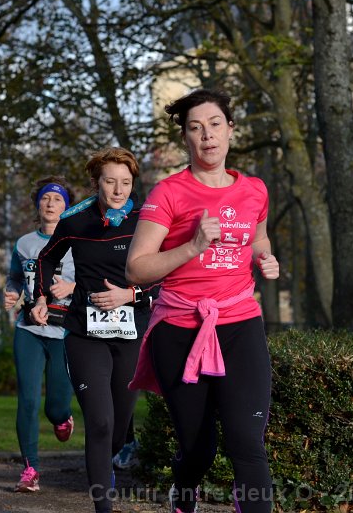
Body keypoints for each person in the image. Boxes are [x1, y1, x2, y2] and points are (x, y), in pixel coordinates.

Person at [126, 89, 280, 513]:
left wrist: (264, 258)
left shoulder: (255, 190)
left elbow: (258, 238)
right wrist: (193, 246)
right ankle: (184, 488)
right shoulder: (168, 193)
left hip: (240, 322)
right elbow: (136, 269)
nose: (207, 135)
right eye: (195, 128)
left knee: (248, 444)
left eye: (214, 124)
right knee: (199, 448)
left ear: (230, 129)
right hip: (180, 330)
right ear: (186, 139)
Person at [31, 147, 155, 513]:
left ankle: (110, 457)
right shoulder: (75, 221)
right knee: (100, 422)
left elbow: (164, 274)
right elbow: (47, 258)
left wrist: (129, 295)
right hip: (85, 333)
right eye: (110, 182)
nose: (118, 190)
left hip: (131, 332)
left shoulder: (146, 219)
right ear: (95, 182)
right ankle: (103, 505)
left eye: (125, 183)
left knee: (116, 428)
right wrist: (41, 297)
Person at [4, 176, 76, 493]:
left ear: (67, 207)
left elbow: (96, 277)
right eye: (45, 198)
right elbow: (14, 278)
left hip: (65, 331)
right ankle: (30, 469)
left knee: (55, 406)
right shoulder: (24, 244)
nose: (50, 204)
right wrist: (11, 292)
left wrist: (72, 286)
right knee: (28, 400)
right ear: (38, 205)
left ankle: (62, 418)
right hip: (29, 329)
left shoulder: (77, 243)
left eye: (57, 199)